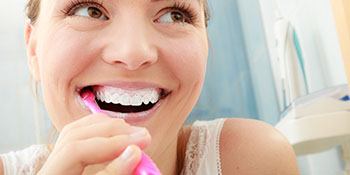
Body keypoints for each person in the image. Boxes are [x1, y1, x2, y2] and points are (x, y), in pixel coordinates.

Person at [0, 0, 299, 174]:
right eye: (89, 10)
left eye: (174, 14)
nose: (133, 52)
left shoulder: (252, 161)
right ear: (34, 50)